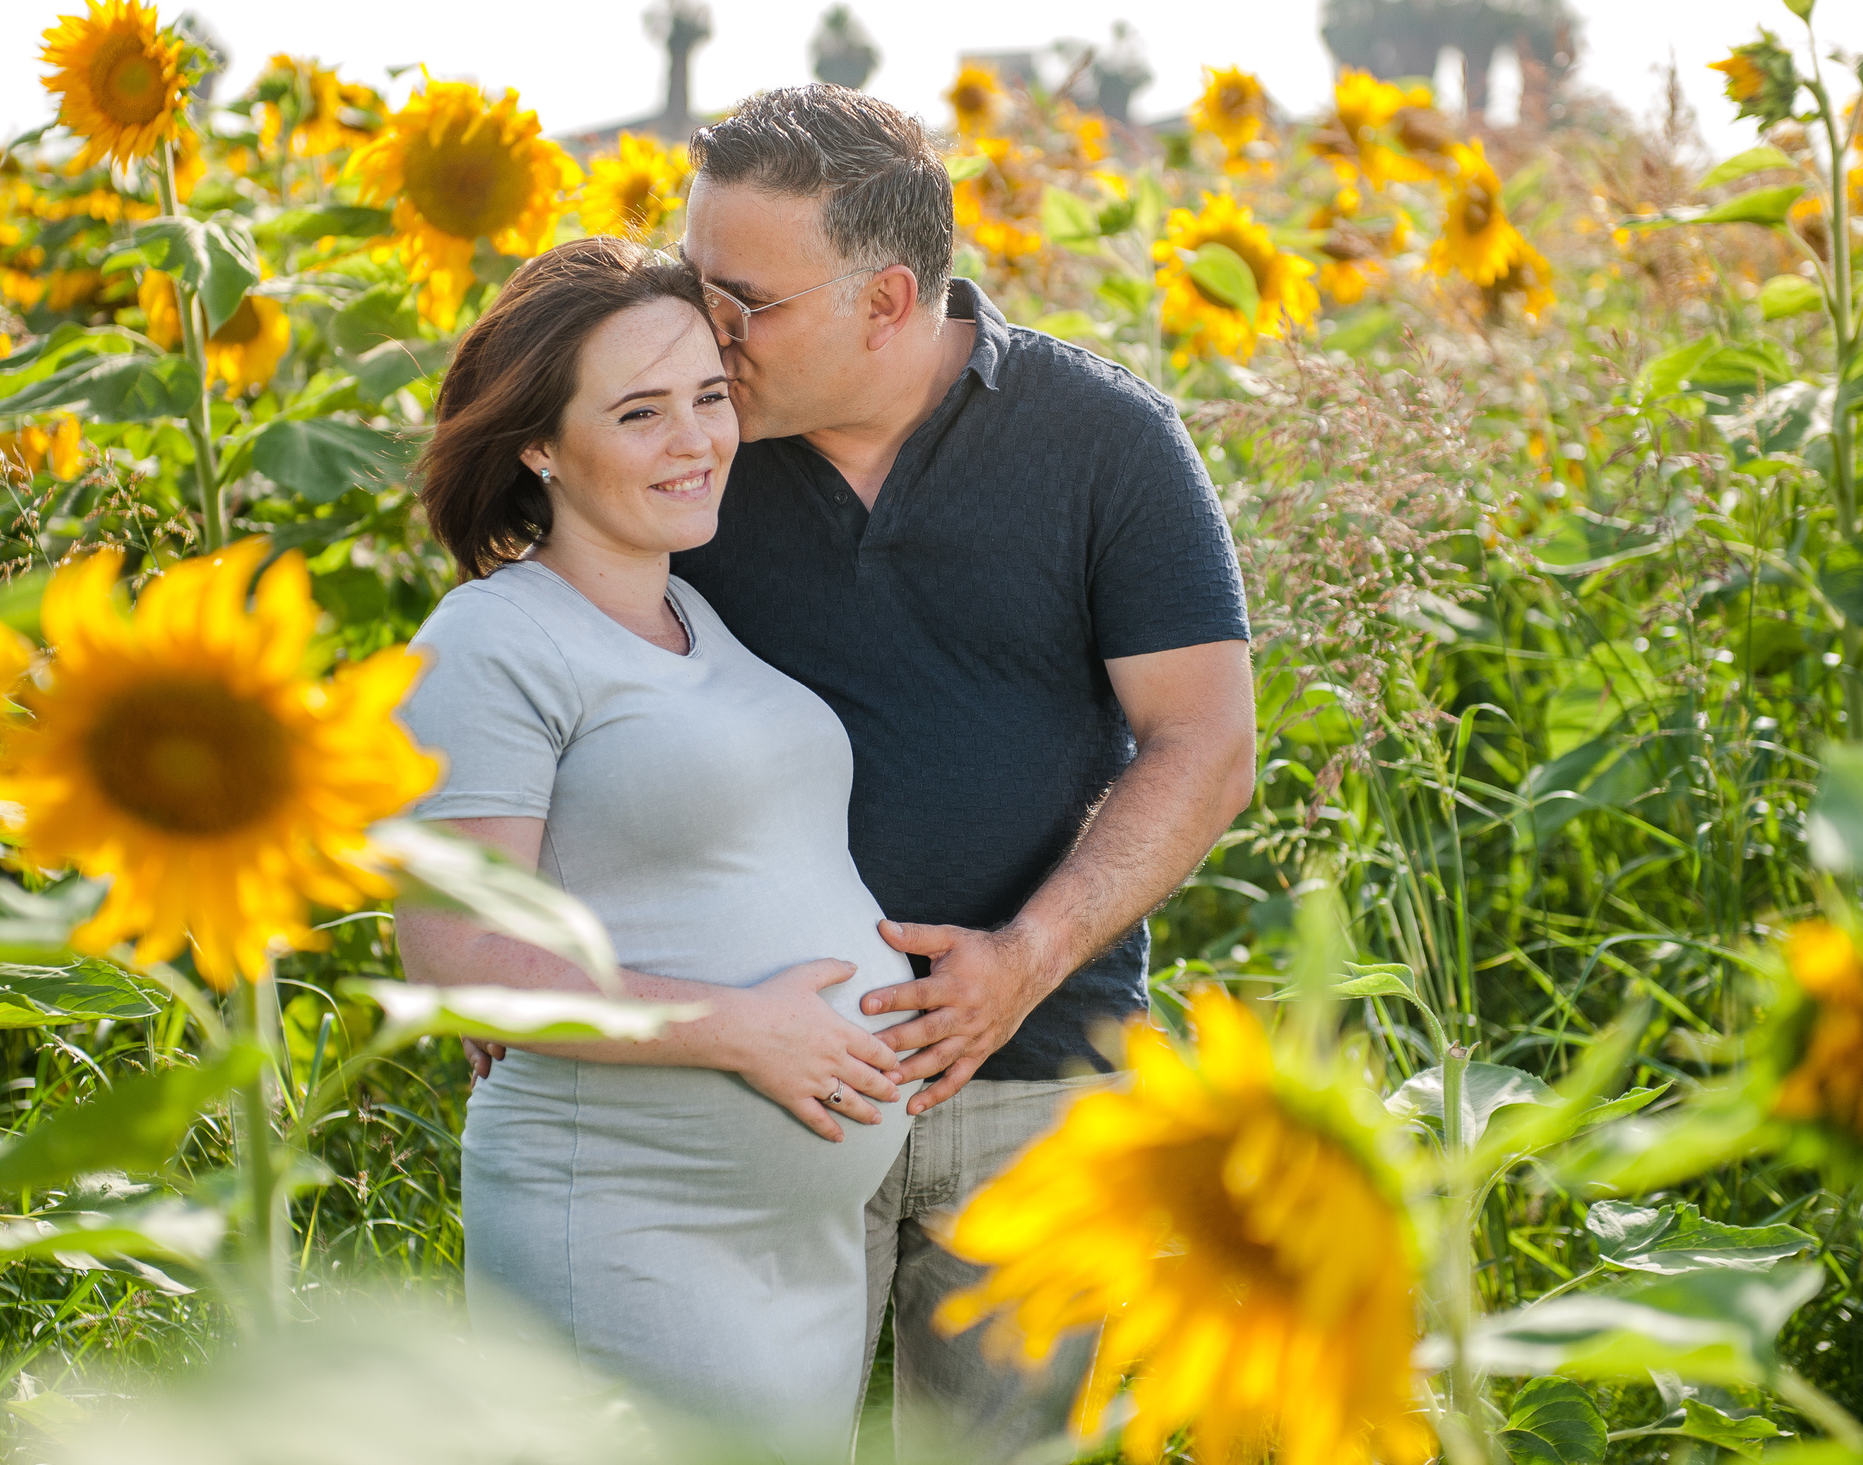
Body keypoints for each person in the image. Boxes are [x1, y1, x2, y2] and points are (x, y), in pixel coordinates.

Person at [671, 85, 1258, 1458]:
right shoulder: (680, 444)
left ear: (886, 303)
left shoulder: (1105, 443)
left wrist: (1023, 955)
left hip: (1038, 1081)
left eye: (745, 298)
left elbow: (1207, 743)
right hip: (763, 1072)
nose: (711, 331)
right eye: (694, 283)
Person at [393, 236, 922, 1453]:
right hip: (632, 1222)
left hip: (790, 1250)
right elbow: (455, 959)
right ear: (537, 442)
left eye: (710, 396)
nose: (695, 439)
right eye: (640, 411)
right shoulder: (489, 642)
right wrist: (744, 1026)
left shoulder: (694, 610)